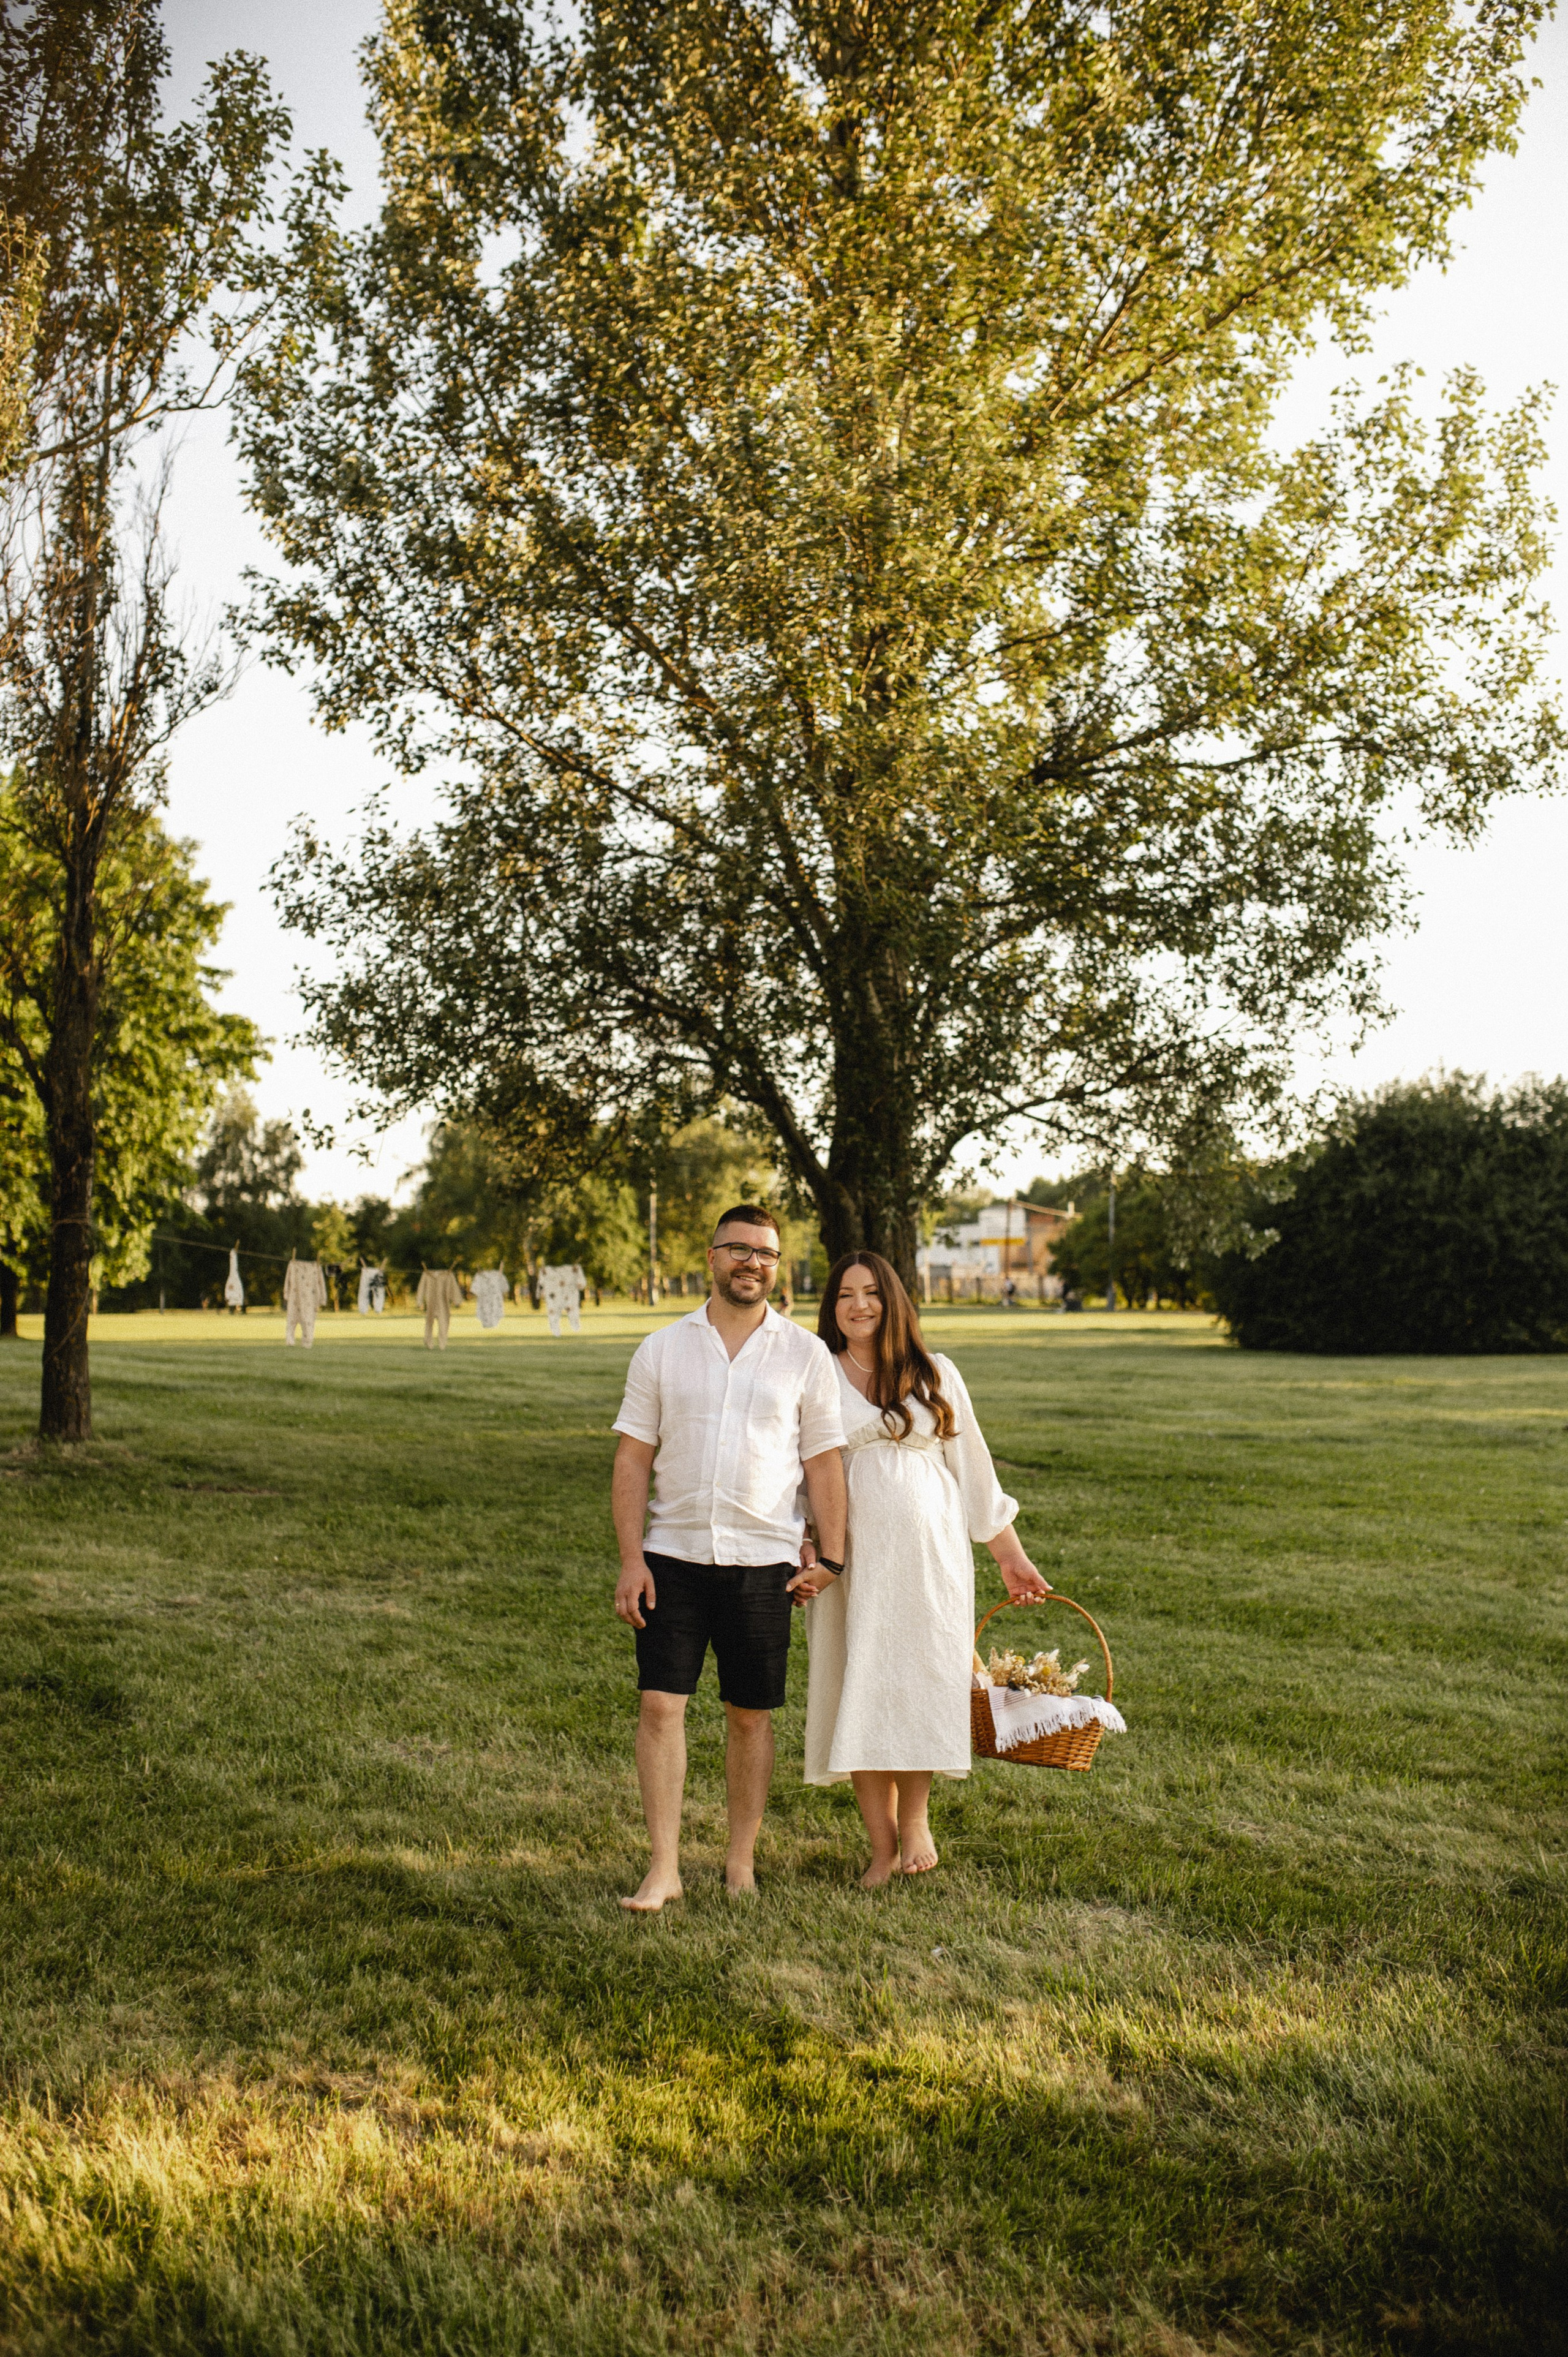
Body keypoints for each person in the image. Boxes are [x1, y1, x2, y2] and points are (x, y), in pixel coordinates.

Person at [611, 1205, 848, 1912]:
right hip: (672, 1556)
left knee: (750, 1714)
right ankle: (663, 1867)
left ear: (779, 1265)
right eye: (739, 1249)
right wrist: (632, 1560)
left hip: (762, 1562)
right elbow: (632, 1458)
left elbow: (824, 1462)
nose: (753, 1262)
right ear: (712, 1257)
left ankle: (739, 1860)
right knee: (660, 1706)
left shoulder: (804, 1353)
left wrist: (830, 1555)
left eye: (767, 1253)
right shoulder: (661, 1347)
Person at [794, 1251, 1050, 1886]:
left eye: (872, 1292)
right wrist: (803, 1539)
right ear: (831, 1307)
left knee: (917, 1683)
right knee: (859, 1683)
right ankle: (880, 1846)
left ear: (894, 1300)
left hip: (929, 1559)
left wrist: (1010, 1557)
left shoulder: (935, 1373)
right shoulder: (815, 1373)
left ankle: (915, 1821)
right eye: (845, 1294)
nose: (859, 1304)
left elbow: (976, 1475)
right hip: (849, 1561)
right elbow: (797, 1470)